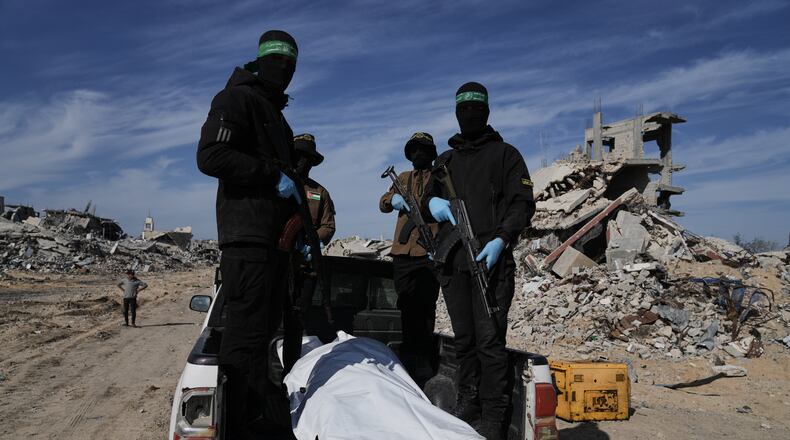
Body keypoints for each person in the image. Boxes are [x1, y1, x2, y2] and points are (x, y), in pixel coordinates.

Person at [196, 29, 302, 438]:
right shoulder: (236, 99)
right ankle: (237, 426)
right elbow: (211, 155)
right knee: (243, 343)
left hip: (273, 243)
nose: (285, 71)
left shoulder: (275, 114)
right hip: (248, 239)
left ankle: (257, 418)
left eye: (292, 65)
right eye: (279, 62)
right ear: (261, 61)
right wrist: (270, 174)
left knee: (261, 339)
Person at [423, 82, 535, 440]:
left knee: (490, 343)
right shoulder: (446, 161)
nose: (470, 113)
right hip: (454, 264)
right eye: (464, 108)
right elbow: (428, 199)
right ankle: (467, 399)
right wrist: (432, 206)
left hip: (491, 263)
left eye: (476, 107)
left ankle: (494, 415)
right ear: (456, 113)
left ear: (487, 111)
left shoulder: (506, 155)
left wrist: (503, 239)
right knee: (465, 338)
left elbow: (522, 202)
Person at [379, 132, 440, 387]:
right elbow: (383, 203)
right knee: (406, 306)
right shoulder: (402, 178)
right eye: (414, 150)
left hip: (429, 253)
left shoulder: (439, 177)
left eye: (423, 150)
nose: (418, 154)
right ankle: (408, 357)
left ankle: (424, 361)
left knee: (426, 309)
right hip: (403, 253)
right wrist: (393, 200)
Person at [294, 133, 336, 246]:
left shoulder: (320, 192)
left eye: (307, 157)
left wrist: (310, 240)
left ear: (312, 161)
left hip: (304, 257)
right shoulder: (275, 183)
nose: (302, 161)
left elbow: (328, 226)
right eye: (298, 155)